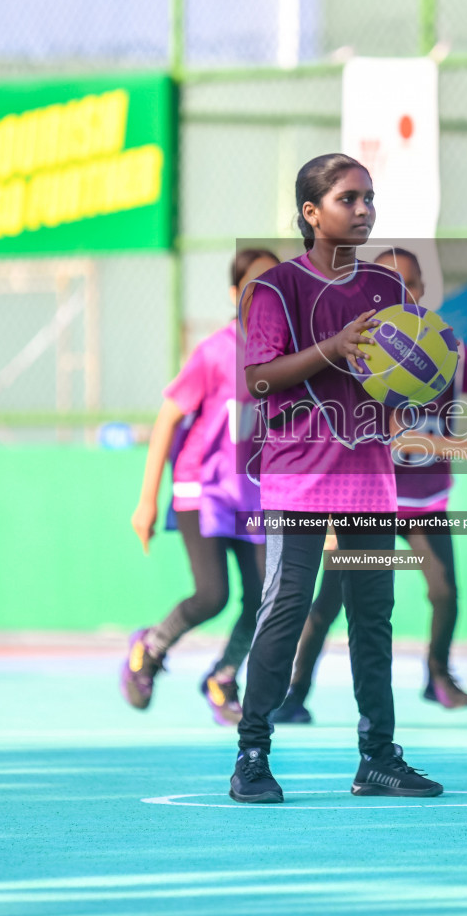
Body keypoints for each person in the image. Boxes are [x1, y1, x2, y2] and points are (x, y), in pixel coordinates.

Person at [229, 153, 444, 804]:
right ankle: (252, 751)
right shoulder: (275, 290)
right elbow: (258, 379)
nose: (363, 209)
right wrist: (334, 347)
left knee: (372, 615)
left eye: (369, 198)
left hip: (368, 476)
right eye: (349, 198)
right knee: (287, 607)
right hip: (296, 476)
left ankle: (378, 756)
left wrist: (423, 379)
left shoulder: (388, 291)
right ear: (310, 212)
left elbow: (400, 384)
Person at [269, 246, 467, 723]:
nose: (402, 291)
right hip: (365, 501)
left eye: (410, 283)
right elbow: (390, 436)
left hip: (422, 501)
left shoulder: (449, 354)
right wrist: (458, 449)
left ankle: (438, 674)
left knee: (443, 591)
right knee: (330, 600)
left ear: (421, 290)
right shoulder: (357, 356)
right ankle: (295, 691)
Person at [124, 248, 280, 724]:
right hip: (203, 491)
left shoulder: (286, 359)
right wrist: (147, 501)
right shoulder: (215, 353)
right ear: (236, 295)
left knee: (264, 599)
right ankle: (150, 647)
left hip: (251, 498)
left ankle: (224, 675)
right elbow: (169, 416)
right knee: (211, 595)